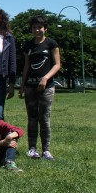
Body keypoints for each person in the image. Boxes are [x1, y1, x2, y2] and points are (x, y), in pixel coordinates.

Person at [19, 15, 61, 160]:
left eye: (39, 27)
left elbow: (57, 64)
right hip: (30, 87)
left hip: (46, 87)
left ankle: (46, 150)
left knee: (44, 118)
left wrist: (46, 78)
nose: (37, 30)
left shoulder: (51, 44)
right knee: (32, 118)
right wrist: (22, 86)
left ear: (45, 29)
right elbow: (26, 66)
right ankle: (32, 148)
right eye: (34, 27)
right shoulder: (28, 45)